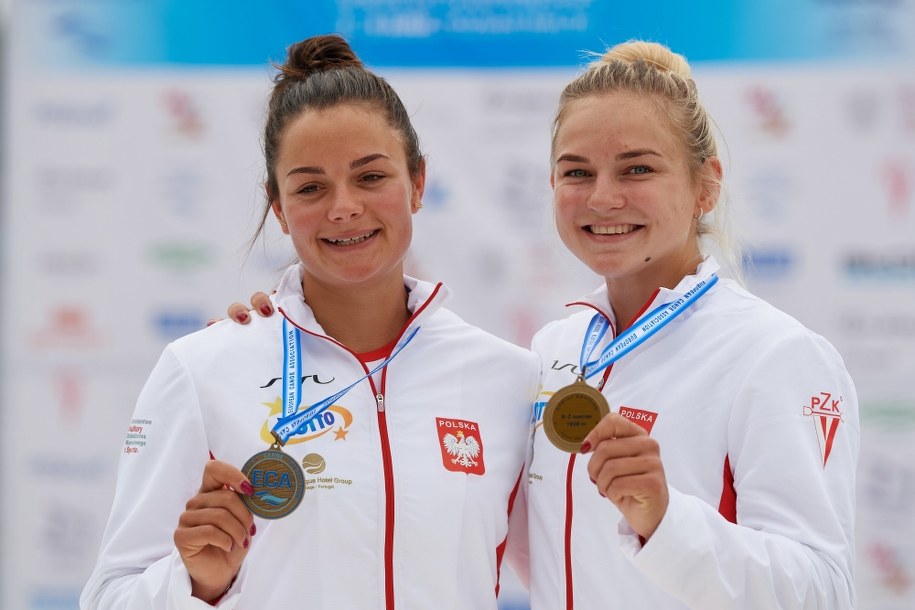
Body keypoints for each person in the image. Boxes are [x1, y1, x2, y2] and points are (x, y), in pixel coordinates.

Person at [234, 39, 860, 610]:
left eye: (637, 169)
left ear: (706, 184)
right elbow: (490, 537)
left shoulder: (773, 355)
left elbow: (823, 590)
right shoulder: (554, 353)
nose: (603, 197)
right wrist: (275, 338)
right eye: (577, 172)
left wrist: (667, 521)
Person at [80, 34, 539, 610]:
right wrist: (196, 584)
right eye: (311, 187)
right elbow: (109, 595)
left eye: (371, 177)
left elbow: (579, 570)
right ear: (278, 207)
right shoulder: (202, 371)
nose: (344, 206)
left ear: (417, 183)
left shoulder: (508, 380)